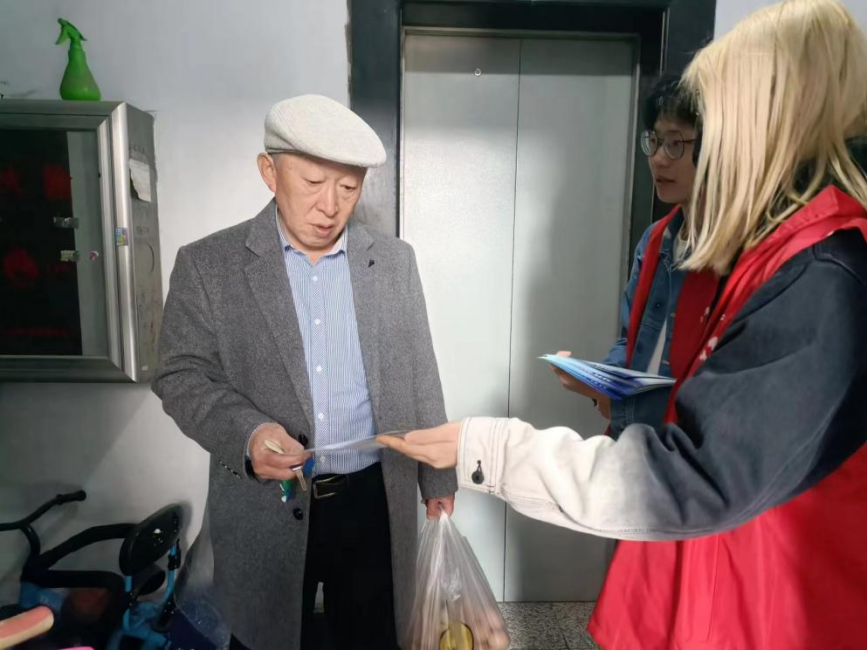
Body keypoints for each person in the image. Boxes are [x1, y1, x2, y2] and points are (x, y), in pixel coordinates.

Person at [380, 0, 867, 648]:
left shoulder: (822, 273)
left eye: (692, 137)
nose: (672, 157)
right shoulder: (746, 251)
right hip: (708, 571)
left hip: (763, 602)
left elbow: (698, 474)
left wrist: (485, 447)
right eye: (656, 141)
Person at [153, 95, 457, 650]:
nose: (330, 206)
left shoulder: (394, 262)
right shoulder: (208, 265)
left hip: (372, 498)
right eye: (313, 182)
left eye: (348, 187)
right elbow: (180, 373)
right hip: (264, 504)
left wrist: (438, 478)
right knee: (264, 638)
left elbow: (420, 370)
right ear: (269, 172)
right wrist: (247, 434)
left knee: (372, 637)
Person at [552, 77, 709, 435]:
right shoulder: (654, 241)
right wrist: (597, 380)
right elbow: (631, 343)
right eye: (655, 141)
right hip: (632, 441)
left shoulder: (732, 255)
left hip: (680, 448)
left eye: (675, 144)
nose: (658, 159)